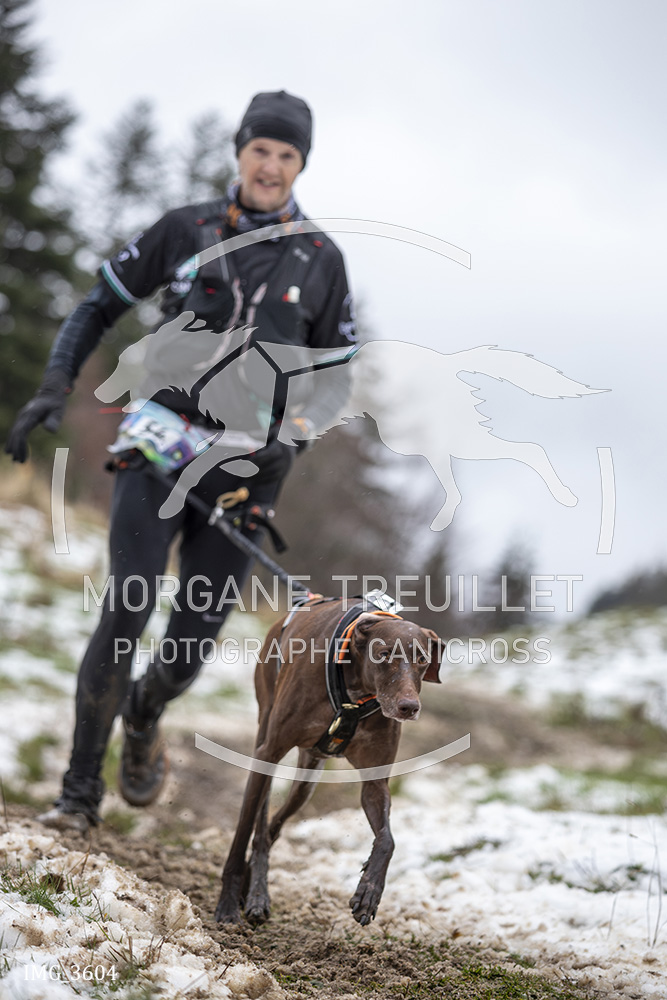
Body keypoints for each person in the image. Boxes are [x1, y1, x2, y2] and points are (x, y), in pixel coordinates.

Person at [5, 90, 357, 833]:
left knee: (188, 649)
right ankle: (77, 796)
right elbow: (95, 306)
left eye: (285, 155)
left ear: (300, 165)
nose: (270, 166)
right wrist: (53, 386)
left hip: (247, 468)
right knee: (126, 607)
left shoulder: (323, 261)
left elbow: (335, 381)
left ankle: (143, 712)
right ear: (240, 151)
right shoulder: (185, 229)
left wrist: (291, 437)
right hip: (160, 445)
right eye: (259, 150)